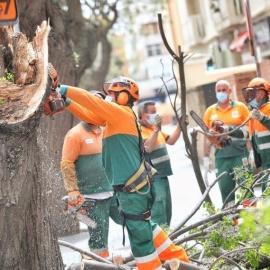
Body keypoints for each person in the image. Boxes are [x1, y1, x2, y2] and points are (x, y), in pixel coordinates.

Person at [50, 68, 189, 269]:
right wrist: (67, 102)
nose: (109, 97)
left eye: (113, 94)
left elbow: (91, 101)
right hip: (132, 188)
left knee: (139, 238)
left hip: (132, 188)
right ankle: (179, 257)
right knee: (144, 226)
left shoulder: (121, 113)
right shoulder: (112, 119)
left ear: (124, 96)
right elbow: (89, 114)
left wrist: (60, 88)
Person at [61, 90, 122, 259]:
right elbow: (66, 163)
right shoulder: (75, 135)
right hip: (91, 198)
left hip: (113, 191)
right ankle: (97, 265)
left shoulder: (106, 131)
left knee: (132, 220)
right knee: (98, 239)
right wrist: (72, 190)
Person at [203, 79, 251, 207]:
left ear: (229, 91)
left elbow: (249, 130)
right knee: (225, 191)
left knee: (247, 188)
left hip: (240, 155)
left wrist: (251, 152)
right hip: (221, 157)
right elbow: (206, 137)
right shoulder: (210, 111)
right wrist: (206, 157)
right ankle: (232, 221)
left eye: (224, 90)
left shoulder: (240, 108)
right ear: (215, 92)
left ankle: (253, 219)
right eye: (219, 90)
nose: (221, 93)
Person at [137, 101, 184, 226]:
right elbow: (148, 148)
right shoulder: (139, 130)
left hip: (163, 175)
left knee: (167, 209)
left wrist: (180, 126)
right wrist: (157, 130)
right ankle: (160, 241)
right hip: (153, 177)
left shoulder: (153, 129)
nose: (155, 115)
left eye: (156, 112)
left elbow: (171, 141)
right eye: (152, 112)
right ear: (143, 114)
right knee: (159, 210)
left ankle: (167, 239)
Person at [241, 77, 270, 192]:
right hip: (265, 164)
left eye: (252, 93)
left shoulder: (267, 109)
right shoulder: (253, 113)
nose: (250, 96)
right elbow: (243, 132)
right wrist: (225, 130)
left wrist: (263, 118)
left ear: (261, 94)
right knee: (265, 198)